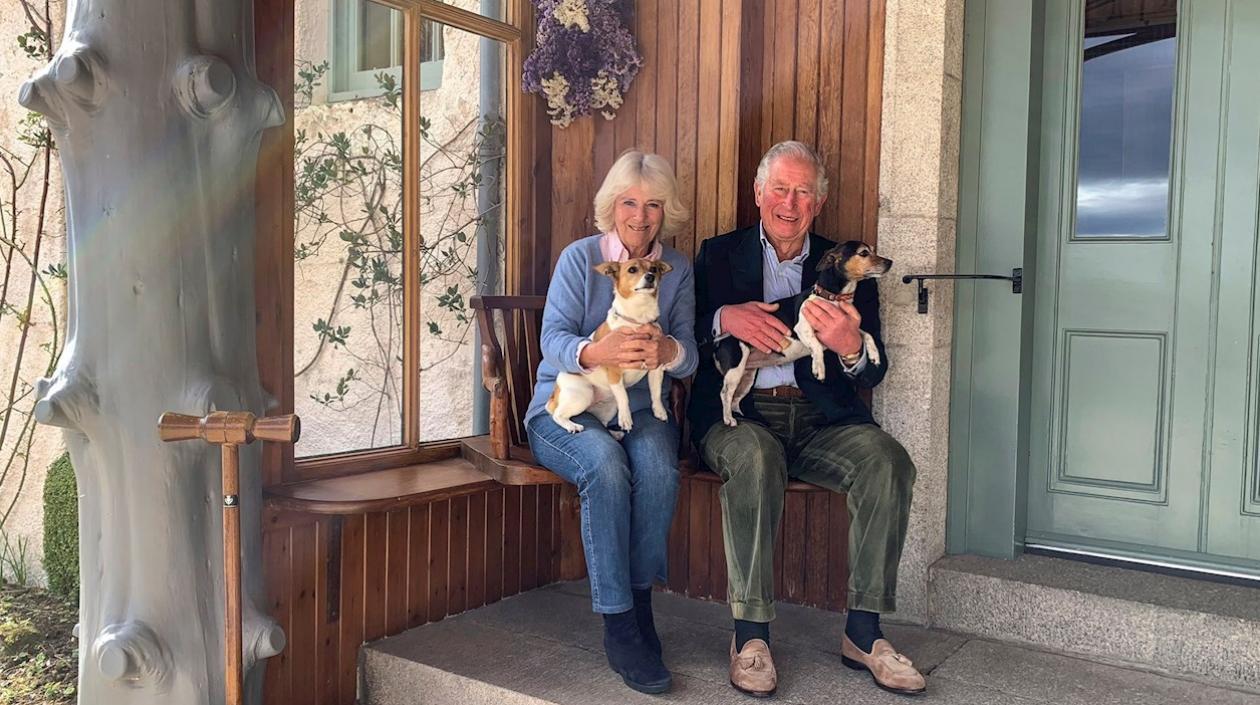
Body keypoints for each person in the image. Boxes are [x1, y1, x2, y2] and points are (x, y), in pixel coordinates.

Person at [688, 141, 924, 696]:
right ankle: (750, 637)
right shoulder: (718, 255)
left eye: (802, 193)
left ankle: (864, 634)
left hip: (823, 422)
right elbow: (684, 334)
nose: (789, 203)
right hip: (741, 417)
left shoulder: (846, 265)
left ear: (818, 203)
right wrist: (726, 316)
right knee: (754, 456)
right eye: (779, 189)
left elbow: (873, 370)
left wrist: (848, 347)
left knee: (888, 462)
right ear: (758, 193)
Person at [524, 150, 698, 695]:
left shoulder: (679, 271)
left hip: (639, 409)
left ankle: (641, 603)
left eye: (652, 204)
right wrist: (596, 351)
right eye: (629, 202)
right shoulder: (580, 260)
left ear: (665, 210)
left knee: (658, 467)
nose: (640, 216)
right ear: (611, 206)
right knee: (604, 465)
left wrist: (668, 348)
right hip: (566, 405)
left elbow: (691, 355)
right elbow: (552, 340)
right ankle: (620, 623)